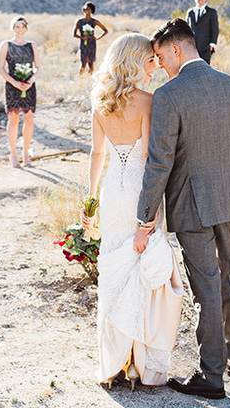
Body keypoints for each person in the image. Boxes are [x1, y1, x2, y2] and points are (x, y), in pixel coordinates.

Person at [135, 18, 230, 400]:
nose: (162, 66)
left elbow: (160, 161)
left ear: (176, 49)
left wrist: (145, 217)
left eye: (161, 57)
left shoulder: (170, 95)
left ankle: (211, 376)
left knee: (206, 287)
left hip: (191, 205)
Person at [82, 33, 184, 390]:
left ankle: (113, 362)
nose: (155, 66)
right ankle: (139, 365)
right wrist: (152, 214)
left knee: (114, 272)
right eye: (151, 60)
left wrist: (89, 203)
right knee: (142, 274)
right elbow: (150, 159)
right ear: (137, 61)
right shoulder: (148, 101)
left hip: (112, 193)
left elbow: (97, 156)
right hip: (140, 192)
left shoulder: (100, 102)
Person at [0, 16, 40, 167]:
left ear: (26, 28)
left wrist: (30, 81)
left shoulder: (32, 45)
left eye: (22, 26)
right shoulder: (6, 45)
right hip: (12, 86)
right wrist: (15, 83)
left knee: (29, 119)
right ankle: (14, 154)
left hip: (29, 86)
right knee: (14, 119)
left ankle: (26, 153)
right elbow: (0, 69)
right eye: (16, 26)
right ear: (13, 28)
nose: (19, 29)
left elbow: (38, 68)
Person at [73, 2, 109, 75]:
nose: (85, 10)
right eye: (84, 9)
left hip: (92, 43)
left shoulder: (94, 21)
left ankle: (90, 78)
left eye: (87, 9)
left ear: (91, 10)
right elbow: (74, 34)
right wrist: (82, 37)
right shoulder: (79, 21)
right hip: (83, 44)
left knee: (91, 63)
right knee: (83, 62)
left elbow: (105, 31)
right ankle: (80, 78)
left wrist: (98, 38)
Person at [186, 0, 219, 65]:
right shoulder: (190, 12)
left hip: (206, 47)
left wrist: (213, 43)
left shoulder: (211, 12)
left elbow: (215, 29)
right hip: (192, 47)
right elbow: (186, 29)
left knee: (204, 68)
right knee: (192, 68)